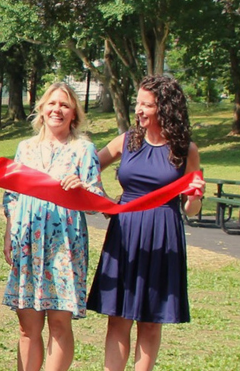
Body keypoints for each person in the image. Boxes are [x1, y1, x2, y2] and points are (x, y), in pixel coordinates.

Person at [91, 74, 206, 371]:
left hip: (162, 234)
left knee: (151, 320)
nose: (138, 110)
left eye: (147, 104)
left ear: (165, 108)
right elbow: (88, 167)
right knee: (118, 317)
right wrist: (104, 202)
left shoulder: (185, 151)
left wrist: (194, 199)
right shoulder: (126, 140)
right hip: (125, 233)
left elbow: (191, 208)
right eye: (137, 103)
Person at [3, 82, 101, 371]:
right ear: (42, 109)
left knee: (59, 324)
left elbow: (96, 201)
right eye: (52, 103)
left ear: (74, 114)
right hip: (28, 242)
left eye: (65, 105)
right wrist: (9, 233)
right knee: (27, 325)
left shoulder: (84, 150)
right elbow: (12, 196)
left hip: (65, 246)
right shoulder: (25, 148)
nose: (57, 109)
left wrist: (82, 189)